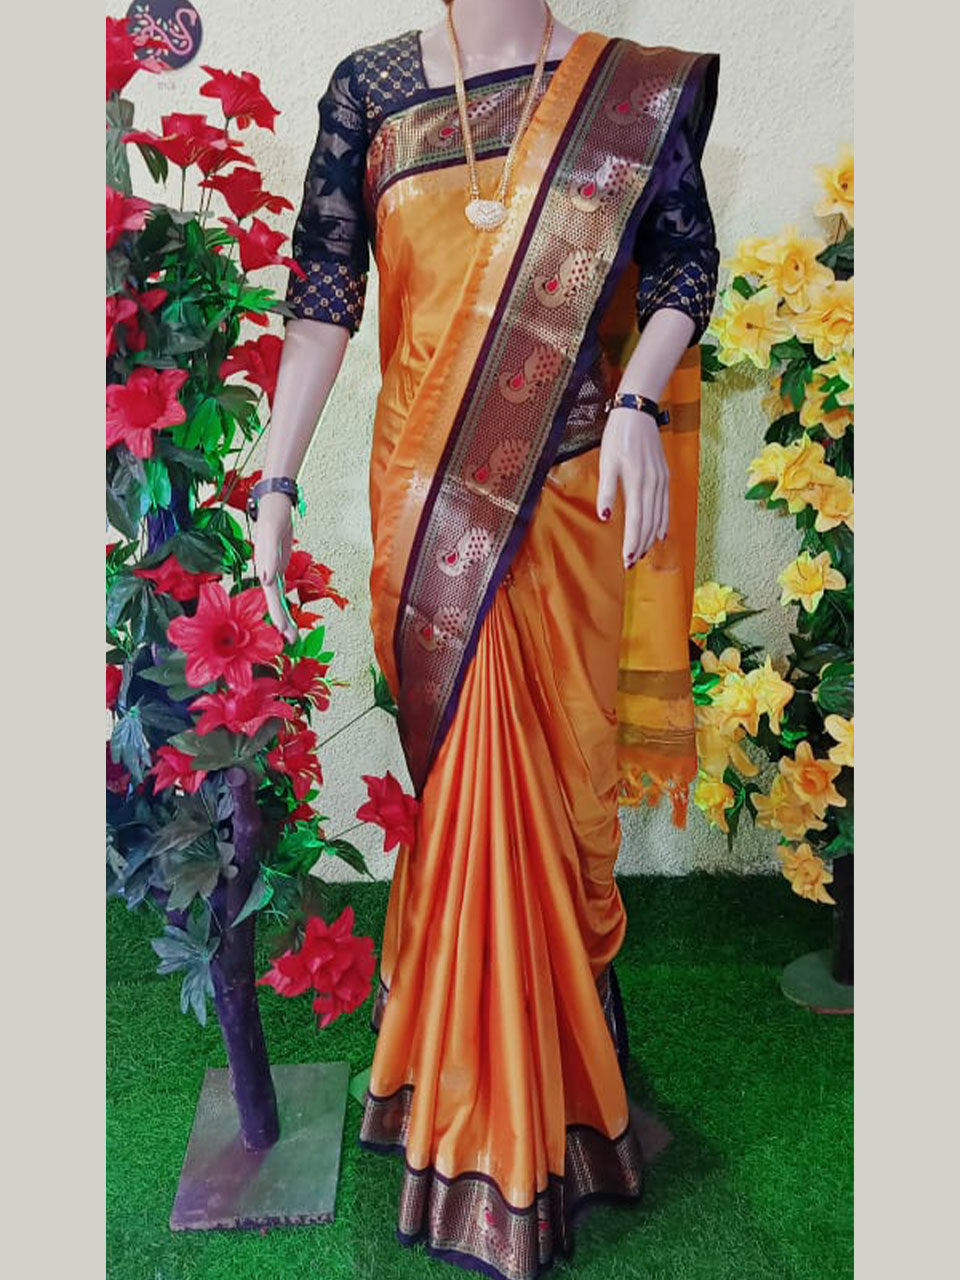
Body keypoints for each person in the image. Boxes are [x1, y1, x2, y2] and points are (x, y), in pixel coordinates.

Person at [252, 3, 720, 1276]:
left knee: (551, 797)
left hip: (565, 498)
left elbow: (685, 266)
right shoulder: (370, 90)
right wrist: (275, 481)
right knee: (466, 795)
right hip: (426, 509)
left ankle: (549, 1089)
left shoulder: (623, 89)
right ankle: (466, 1094)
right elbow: (324, 295)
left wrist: (637, 398)